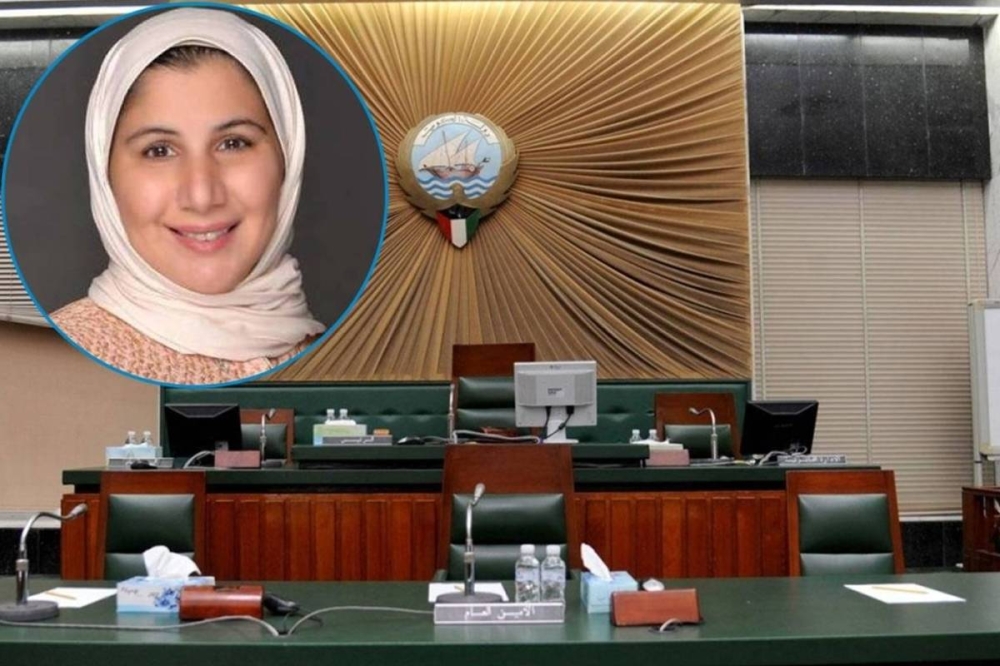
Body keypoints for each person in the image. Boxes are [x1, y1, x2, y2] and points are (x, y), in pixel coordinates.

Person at [51, 7, 325, 385]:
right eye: (159, 150)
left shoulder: (346, 356)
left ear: (287, 158)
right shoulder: (58, 360)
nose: (201, 195)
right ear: (105, 173)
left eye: (233, 143)